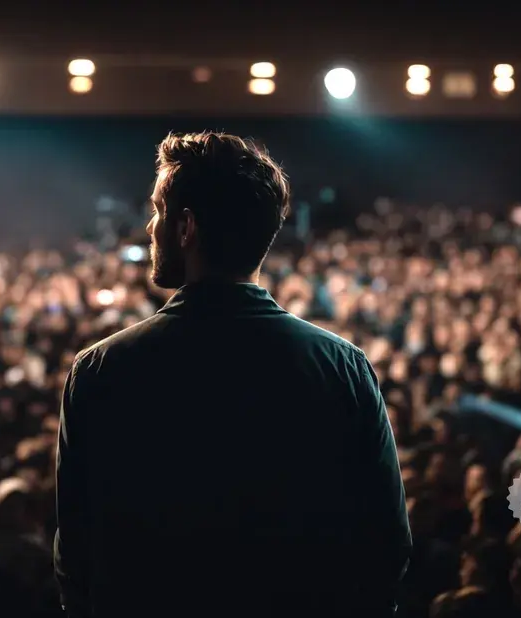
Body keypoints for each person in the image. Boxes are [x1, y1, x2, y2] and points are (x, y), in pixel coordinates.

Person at [53, 132, 412, 617]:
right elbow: (386, 545)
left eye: (158, 211)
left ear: (186, 228)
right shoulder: (342, 368)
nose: (149, 226)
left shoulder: (102, 371)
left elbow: (77, 554)